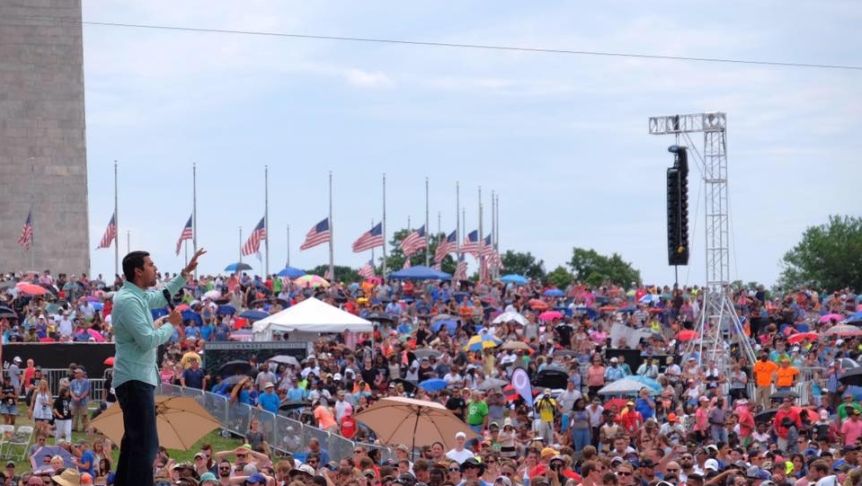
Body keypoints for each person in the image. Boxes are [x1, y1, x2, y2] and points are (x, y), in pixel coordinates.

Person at [112, 248, 205, 486]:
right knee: (146, 446)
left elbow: (162, 294)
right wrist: (171, 325)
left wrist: (185, 273)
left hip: (137, 378)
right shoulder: (127, 300)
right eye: (151, 265)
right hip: (134, 379)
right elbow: (147, 340)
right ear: (138, 271)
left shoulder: (137, 295)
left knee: (134, 443)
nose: (155, 268)